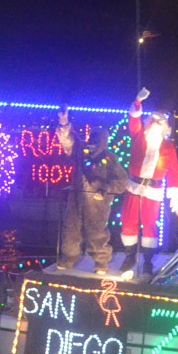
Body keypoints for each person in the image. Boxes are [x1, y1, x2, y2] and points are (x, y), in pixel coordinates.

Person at [119, 87, 178, 278]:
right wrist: (137, 102)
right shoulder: (138, 135)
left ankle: (147, 261)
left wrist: (174, 195)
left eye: (159, 122)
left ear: (165, 127)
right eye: (153, 120)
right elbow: (134, 119)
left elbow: (173, 171)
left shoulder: (168, 146)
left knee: (149, 226)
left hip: (153, 191)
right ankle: (129, 257)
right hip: (133, 187)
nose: (155, 123)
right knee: (128, 222)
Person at [55, 113, 127, 274]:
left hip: (98, 203)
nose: (93, 142)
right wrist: (64, 122)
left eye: (97, 139)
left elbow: (122, 181)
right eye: (91, 138)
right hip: (76, 198)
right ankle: (68, 258)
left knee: (97, 232)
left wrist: (104, 188)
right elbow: (68, 140)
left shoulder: (110, 159)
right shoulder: (81, 152)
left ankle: (101, 261)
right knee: (71, 230)